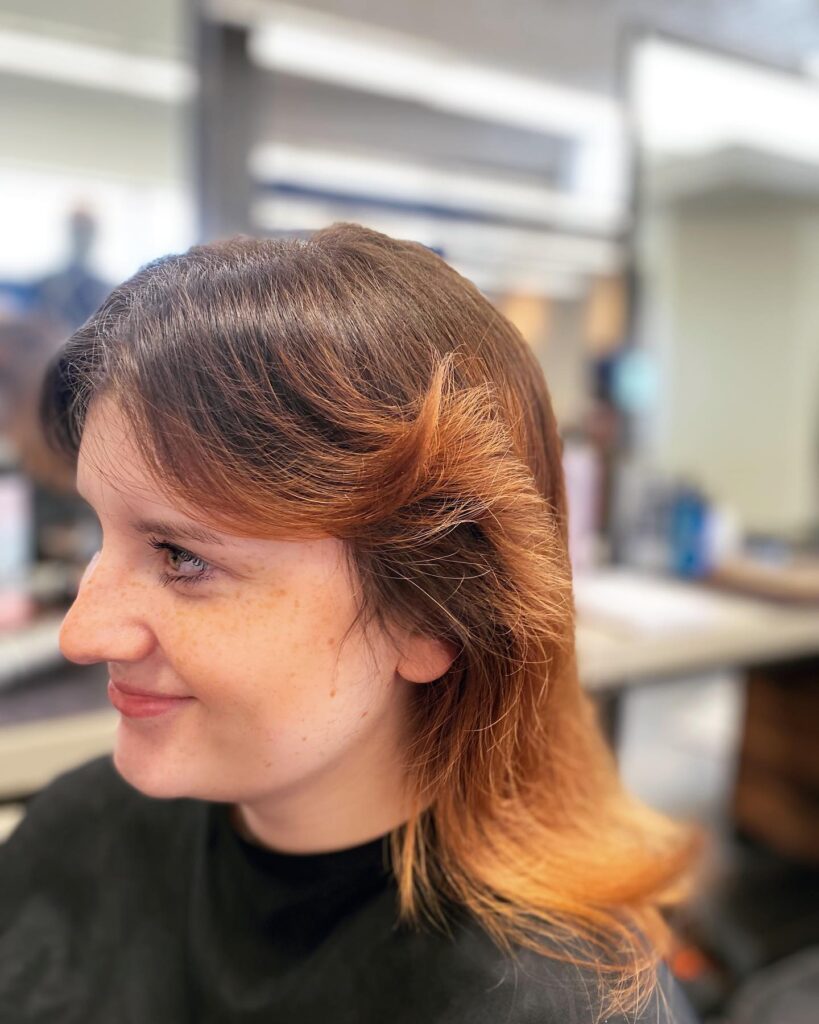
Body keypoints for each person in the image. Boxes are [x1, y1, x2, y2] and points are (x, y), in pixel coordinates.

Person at [0, 224, 703, 1023]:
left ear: (430, 614)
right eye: (105, 532)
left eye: (181, 557)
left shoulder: (551, 1002)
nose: (82, 634)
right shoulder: (81, 833)